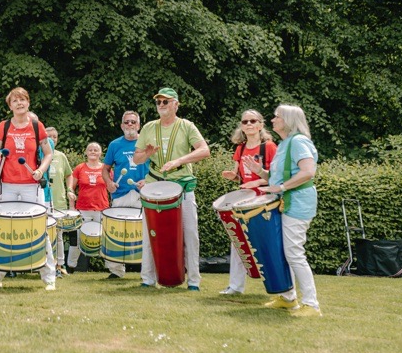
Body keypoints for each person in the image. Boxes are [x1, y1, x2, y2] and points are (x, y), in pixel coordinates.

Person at [246, 104, 322, 317]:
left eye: (276, 117)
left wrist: (280, 188)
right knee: (285, 252)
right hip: (287, 202)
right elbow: (279, 177)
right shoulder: (285, 143)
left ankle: (312, 304)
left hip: (297, 203)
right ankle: (288, 298)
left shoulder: (298, 142)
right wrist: (261, 172)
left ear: (288, 120)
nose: (272, 120)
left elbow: (308, 172)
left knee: (294, 253)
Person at [134, 87, 210, 291]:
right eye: (158, 102)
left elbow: (204, 150)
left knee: (190, 234)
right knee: (149, 233)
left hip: (182, 185)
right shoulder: (149, 127)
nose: (161, 105)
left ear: (176, 104)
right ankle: (147, 278)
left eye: (165, 101)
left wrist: (179, 161)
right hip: (154, 186)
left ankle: (193, 280)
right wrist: (147, 154)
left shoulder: (186, 126)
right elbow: (137, 158)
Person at [0, 87, 56, 290]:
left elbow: (48, 153)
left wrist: (41, 170)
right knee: (2, 229)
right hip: (7, 186)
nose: (19, 103)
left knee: (39, 229)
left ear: (28, 103)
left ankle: (49, 277)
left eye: (22, 100)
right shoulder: (4, 126)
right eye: (15, 101)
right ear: (10, 106)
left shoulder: (37, 126)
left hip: (31, 187)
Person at [218, 109, 276, 294]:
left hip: (264, 200)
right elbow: (240, 177)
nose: (249, 124)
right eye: (245, 122)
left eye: (253, 121)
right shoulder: (240, 148)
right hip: (243, 200)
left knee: (266, 243)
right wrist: (233, 176)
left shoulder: (269, 147)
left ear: (260, 125)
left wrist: (257, 182)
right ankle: (235, 286)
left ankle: (277, 286)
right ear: (241, 127)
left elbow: (276, 177)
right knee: (238, 242)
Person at [101, 110, 149, 278]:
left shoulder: (147, 144)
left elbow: (158, 168)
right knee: (116, 231)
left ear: (139, 125)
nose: (130, 124)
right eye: (127, 122)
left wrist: (147, 181)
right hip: (120, 194)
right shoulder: (115, 145)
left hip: (142, 194)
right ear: (122, 126)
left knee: (145, 232)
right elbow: (105, 169)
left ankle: (147, 271)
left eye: (133, 122)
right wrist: (108, 182)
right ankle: (116, 271)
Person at [66, 142, 115, 277]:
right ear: (86, 152)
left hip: (102, 209)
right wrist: (71, 206)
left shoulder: (106, 169)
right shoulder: (80, 168)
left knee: (106, 239)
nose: (93, 152)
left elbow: (112, 188)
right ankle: (70, 267)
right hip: (82, 209)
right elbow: (71, 188)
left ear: (100, 153)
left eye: (96, 150)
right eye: (90, 150)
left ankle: (112, 269)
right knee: (77, 239)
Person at [45, 126, 72, 276]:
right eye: (49, 136)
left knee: (58, 235)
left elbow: (69, 174)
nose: (52, 139)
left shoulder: (61, 156)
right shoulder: (39, 154)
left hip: (59, 202)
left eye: (54, 136)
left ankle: (60, 265)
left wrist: (70, 189)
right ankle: (43, 264)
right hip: (43, 200)